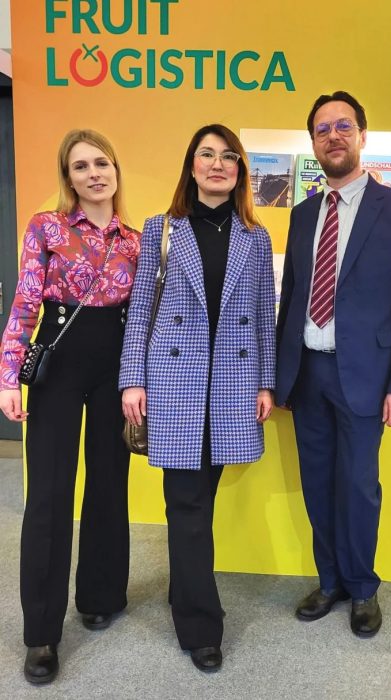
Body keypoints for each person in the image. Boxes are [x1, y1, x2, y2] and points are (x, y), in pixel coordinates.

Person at [276, 91, 391, 637]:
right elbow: (292, 298)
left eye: (344, 126)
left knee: (359, 486)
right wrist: (280, 378)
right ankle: (331, 581)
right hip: (308, 374)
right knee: (317, 484)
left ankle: (363, 587)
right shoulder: (302, 215)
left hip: (367, 377)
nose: (333, 136)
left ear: (363, 135)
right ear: (313, 143)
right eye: (322, 130)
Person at [120, 124, 275, 671]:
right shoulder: (161, 228)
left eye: (228, 156)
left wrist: (266, 381)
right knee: (186, 504)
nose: (217, 164)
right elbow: (140, 308)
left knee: (200, 499)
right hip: (174, 383)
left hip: (232, 385)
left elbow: (264, 315)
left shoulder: (255, 237)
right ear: (191, 166)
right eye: (207, 154)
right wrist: (132, 379)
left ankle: (184, 583)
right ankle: (201, 626)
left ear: (239, 171)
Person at [0, 129, 140, 683]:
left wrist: (141, 381)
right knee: (50, 496)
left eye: (101, 163)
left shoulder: (136, 240)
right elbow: (25, 302)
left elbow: (144, 316)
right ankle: (41, 633)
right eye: (80, 166)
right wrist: (9, 376)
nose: (93, 174)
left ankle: (101, 595)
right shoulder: (47, 227)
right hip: (57, 365)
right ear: (69, 177)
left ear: (116, 170)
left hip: (115, 368)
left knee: (108, 484)